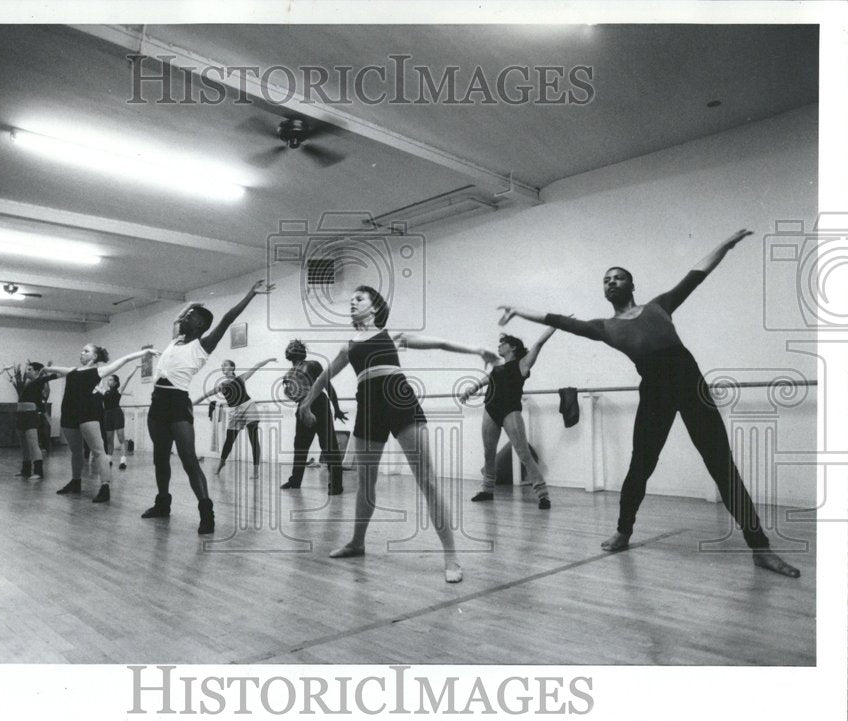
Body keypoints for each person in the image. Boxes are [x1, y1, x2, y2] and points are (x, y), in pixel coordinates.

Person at [498, 229, 799, 578]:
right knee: (641, 465)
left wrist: (726, 245)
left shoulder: (659, 307)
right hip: (655, 393)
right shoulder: (604, 328)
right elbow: (560, 321)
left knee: (721, 465)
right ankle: (623, 530)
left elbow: (697, 274)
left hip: (691, 387)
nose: (612, 282)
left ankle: (760, 548)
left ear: (631, 285)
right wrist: (520, 311)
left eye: (619, 277)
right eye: (607, 280)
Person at [298, 286, 464, 583]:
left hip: (399, 400)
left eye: (359, 299)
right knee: (366, 482)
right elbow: (325, 376)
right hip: (369, 406)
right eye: (350, 301)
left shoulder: (392, 333)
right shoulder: (348, 345)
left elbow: (438, 342)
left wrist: (477, 351)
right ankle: (357, 542)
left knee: (427, 479)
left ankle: (451, 557)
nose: (352, 304)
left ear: (374, 307)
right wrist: (307, 402)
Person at [140, 279, 275, 530]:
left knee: (188, 459)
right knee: (160, 458)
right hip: (157, 403)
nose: (185, 318)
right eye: (186, 316)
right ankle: (162, 504)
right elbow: (176, 322)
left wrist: (250, 294)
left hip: (178, 403)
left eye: (191, 316)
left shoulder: (202, 345)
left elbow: (227, 318)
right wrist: (187, 307)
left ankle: (206, 513)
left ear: (200, 324)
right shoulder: (175, 341)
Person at [455, 329, 558, 508]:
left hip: (510, 410)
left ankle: (543, 495)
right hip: (491, 409)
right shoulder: (498, 367)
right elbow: (489, 378)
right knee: (489, 453)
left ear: (512, 347)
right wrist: (472, 388)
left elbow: (539, 343)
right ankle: (487, 490)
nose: (499, 346)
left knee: (523, 453)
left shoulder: (523, 364)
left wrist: (555, 324)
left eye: (503, 344)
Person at [43, 344, 158, 503]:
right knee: (76, 451)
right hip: (69, 414)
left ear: (95, 357)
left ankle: (105, 487)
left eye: (86, 351)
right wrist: (45, 369)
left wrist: (145, 352)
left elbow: (124, 360)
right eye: (82, 350)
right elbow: (54, 369)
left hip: (87, 413)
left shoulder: (99, 371)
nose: (81, 352)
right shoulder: (72, 371)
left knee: (98, 451)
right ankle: (76, 482)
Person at [280, 339, 348, 495]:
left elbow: (327, 385)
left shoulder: (312, 364)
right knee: (300, 446)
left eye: (295, 347)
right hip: (302, 407)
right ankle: (294, 481)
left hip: (319, 404)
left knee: (328, 444)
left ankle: (336, 485)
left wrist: (337, 408)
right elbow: (293, 393)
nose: (292, 349)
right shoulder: (289, 373)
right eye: (290, 347)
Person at [193, 357, 275, 479]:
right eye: (222, 366)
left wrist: (268, 360)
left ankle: (256, 470)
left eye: (225, 365)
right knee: (229, 440)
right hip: (235, 412)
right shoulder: (221, 386)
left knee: (253, 438)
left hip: (248, 406)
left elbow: (256, 366)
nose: (223, 367)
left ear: (232, 367)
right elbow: (206, 395)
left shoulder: (241, 378)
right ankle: (222, 463)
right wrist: (191, 404)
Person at [7, 362, 58, 480]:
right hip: (21, 415)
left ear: (36, 371)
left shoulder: (39, 381)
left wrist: (48, 369)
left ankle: (38, 472)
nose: (27, 371)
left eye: (29, 369)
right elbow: (38, 402)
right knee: (24, 445)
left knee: (33, 444)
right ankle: (25, 470)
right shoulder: (30, 384)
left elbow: (53, 376)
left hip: (30, 416)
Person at [96, 367, 140, 470]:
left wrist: (135, 368)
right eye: (108, 379)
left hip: (117, 414)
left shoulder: (119, 390)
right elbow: (94, 385)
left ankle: (123, 460)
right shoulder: (104, 391)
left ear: (115, 382)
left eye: (111, 379)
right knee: (109, 439)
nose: (109, 381)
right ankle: (109, 459)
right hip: (107, 415)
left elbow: (128, 378)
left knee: (121, 437)